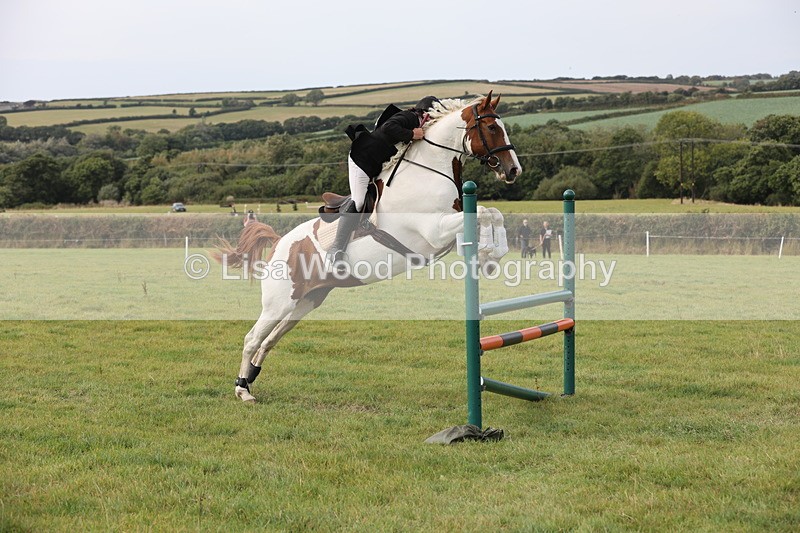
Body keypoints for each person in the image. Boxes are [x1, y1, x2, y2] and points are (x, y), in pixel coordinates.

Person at [325, 96, 441, 271]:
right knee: (359, 201)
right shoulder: (409, 118)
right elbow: (388, 127)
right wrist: (411, 134)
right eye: (433, 116)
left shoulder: (415, 121)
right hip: (361, 160)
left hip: (375, 163)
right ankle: (336, 248)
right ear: (425, 113)